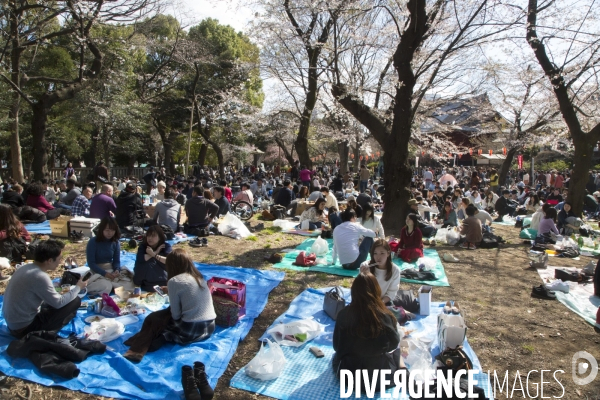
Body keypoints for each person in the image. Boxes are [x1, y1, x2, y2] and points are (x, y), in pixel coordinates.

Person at [123, 249, 216, 363]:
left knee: (154, 319)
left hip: (190, 330)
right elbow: (188, 295)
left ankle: (139, 350)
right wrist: (170, 291)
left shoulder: (175, 281)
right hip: (209, 327)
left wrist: (171, 292)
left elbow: (175, 315)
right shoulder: (198, 277)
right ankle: (160, 338)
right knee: (160, 316)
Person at [332, 272, 404, 390]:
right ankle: (403, 369)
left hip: (349, 375)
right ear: (376, 291)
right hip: (379, 377)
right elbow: (394, 344)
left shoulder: (344, 314)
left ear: (354, 291)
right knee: (397, 354)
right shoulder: (385, 316)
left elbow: (336, 346)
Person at [3, 240, 86, 338]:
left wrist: (56, 288)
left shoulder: (26, 268)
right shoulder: (40, 276)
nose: (60, 262)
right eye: (59, 259)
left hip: (13, 324)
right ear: (50, 260)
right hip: (24, 329)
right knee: (74, 301)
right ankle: (50, 329)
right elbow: (58, 303)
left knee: (59, 300)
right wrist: (78, 287)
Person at [86, 217, 134, 295]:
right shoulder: (93, 242)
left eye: (112, 230)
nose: (110, 233)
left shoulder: (115, 242)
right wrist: (104, 273)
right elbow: (91, 263)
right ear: (102, 230)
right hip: (97, 270)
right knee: (106, 286)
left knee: (130, 281)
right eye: (107, 230)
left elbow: (116, 260)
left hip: (110, 269)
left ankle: (113, 287)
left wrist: (117, 270)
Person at [359, 239, 401, 303]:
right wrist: (362, 276)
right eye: (375, 253)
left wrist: (380, 304)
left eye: (382, 253)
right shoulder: (365, 266)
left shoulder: (395, 270)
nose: (378, 257)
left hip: (384, 302)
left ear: (388, 253)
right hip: (367, 301)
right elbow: (361, 289)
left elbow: (391, 292)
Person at [133, 225, 173, 292]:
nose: (150, 238)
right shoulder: (143, 246)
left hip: (163, 278)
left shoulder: (165, 246)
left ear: (160, 237)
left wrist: (153, 254)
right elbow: (140, 259)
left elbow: (169, 261)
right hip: (145, 279)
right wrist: (155, 252)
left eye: (153, 236)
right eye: (148, 236)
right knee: (146, 262)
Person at [0, 204, 31, 276]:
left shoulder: (13, 225)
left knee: (6, 240)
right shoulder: (16, 222)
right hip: (20, 247)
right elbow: (28, 238)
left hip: (16, 248)